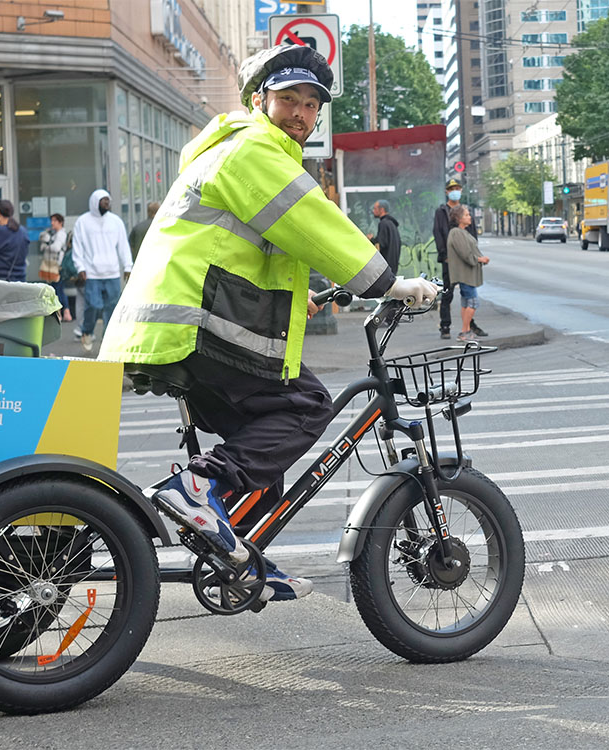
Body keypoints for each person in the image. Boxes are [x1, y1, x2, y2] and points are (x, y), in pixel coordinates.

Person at [98, 44, 437, 603]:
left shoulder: (239, 150)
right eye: (288, 100)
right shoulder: (256, 149)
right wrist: (392, 284)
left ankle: (239, 556)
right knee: (304, 406)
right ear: (261, 101)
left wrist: (299, 298)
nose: (301, 114)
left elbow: (254, 249)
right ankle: (196, 489)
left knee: (261, 445)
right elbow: (317, 226)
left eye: (311, 105)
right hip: (192, 325)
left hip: (176, 324)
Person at [71, 189, 132, 352]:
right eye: (104, 200)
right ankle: (87, 332)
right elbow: (77, 246)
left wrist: (127, 266)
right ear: (95, 202)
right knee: (93, 305)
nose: (107, 203)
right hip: (92, 273)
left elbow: (123, 245)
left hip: (112, 272)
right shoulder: (83, 222)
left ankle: (108, 337)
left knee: (112, 307)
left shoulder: (116, 221)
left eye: (108, 200)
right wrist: (80, 267)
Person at [433, 178, 485, 339]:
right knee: (448, 293)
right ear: (447, 192)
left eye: (457, 188)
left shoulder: (465, 211)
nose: (455, 191)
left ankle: (469, 326)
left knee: (467, 292)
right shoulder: (442, 211)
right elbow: (438, 234)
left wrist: (476, 254)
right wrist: (444, 255)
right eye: (452, 188)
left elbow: (472, 233)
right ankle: (445, 326)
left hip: (465, 259)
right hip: (450, 259)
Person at [446, 205, 489, 342]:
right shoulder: (457, 232)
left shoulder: (461, 232)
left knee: (466, 303)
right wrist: (479, 259)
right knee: (472, 303)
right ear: (458, 218)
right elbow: (465, 253)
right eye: (466, 215)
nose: (469, 216)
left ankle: (466, 331)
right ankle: (465, 331)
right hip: (465, 274)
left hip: (466, 274)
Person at [39, 213, 72, 321]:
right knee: (58, 288)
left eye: (54, 221)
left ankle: (63, 312)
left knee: (58, 289)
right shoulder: (55, 234)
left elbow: (56, 248)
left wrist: (47, 246)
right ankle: (65, 312)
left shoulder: (61, 234)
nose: (52, 223)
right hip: (54, 265)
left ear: (60, 222)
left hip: (58, 265)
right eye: (51, 221)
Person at [370, 199, 401, 274]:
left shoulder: (383, 224)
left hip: (386, 266)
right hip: (393, 265)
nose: (373, 211)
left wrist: (372, 240)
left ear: (382, 209)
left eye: (375, 208)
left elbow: (382, 244)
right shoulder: (391, 224)